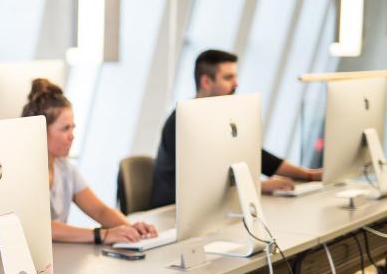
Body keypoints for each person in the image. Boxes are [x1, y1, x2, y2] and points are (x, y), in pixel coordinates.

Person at [150, 49, 322, 208]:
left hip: (213, 205)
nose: (236, 84)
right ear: (206, 81)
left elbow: (252, 153)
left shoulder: (221, 115)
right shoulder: (183, 120)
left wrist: (307, 175)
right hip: (175, 208)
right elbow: (199, 178)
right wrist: (257, 186)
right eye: (228, 78)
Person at [22, 78, 157, 245]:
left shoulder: (65, 169)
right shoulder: (24, 174)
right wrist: (103, 235)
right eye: (65, 128)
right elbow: (42, 227)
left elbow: (100, 211)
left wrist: (130, 228)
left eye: (73, 127)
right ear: (40, 132)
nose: (72, 136)